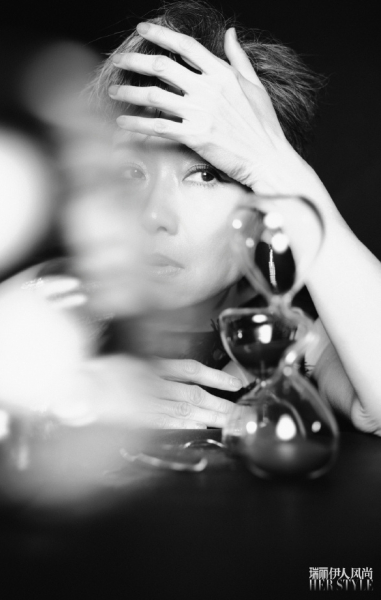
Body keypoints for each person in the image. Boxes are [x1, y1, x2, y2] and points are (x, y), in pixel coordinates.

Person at [84, 0, 381, 433]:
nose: (153, 216)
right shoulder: (44, 310)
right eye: (130, 172)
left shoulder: (297, 336)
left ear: (265, 208)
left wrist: (270, 161)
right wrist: (55, 397)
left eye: (205, 175)